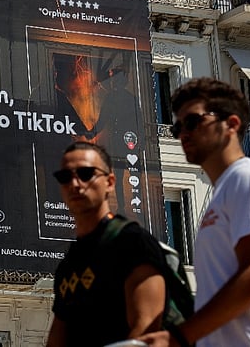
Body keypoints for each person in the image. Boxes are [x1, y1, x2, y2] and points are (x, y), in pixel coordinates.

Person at [140, 78, 250, 347]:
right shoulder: (222, 193)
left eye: (193, 122)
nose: (183, 134)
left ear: (232, 124)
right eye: (178, 127)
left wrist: (180, 336)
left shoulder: (247, 178)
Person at [47, 141, 166, 347]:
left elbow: (145, 333)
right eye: (65, 177)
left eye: (85, 174)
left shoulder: (132, 242)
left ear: (110, 182)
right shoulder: (68, 265)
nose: (75, 184)